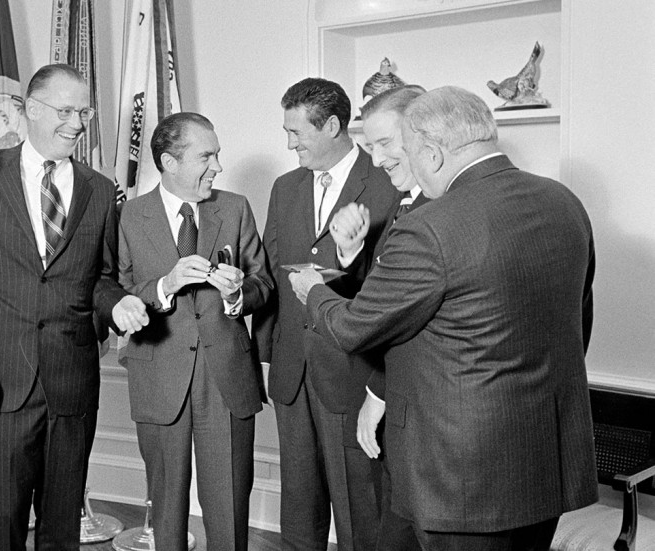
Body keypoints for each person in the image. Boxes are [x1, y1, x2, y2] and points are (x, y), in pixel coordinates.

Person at [290, 86, 597, 550]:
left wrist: (314, 292)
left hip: (463, 480)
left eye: (405, 151)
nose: (390, 164)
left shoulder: (431, 226)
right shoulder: (564, 202)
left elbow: (354, 327)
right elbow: (579, 319)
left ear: (432, 154)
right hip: (545, 464)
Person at [0, 64, 149, 551]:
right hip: (3, 382)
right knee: (0, 521)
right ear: (31, 110)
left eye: (83, 111)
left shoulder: (101, 190)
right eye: (65, 111)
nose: (78, 123)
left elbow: (101, 278)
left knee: (63, 524)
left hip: (72, 381)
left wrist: (119, 303)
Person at [252, 78, 400, 551]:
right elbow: (275, 279)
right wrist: (267, 357)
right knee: (299, 510)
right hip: (293, 373)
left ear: (333, 125)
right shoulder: (284, 187)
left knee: (361, 514)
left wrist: (349, 253)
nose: (290, 143)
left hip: (354, 374)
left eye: (298, 132)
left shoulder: (389, 182)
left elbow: (396, 290)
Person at [117, 112, 273, 551]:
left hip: (225, 376)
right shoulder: (128, 216)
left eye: (218, 155)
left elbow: (265, 284)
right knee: (165, 507)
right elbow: (118, 291)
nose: (218, 167)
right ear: (169, 161)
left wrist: (236, 297)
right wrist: (166, 285)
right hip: (158, 374)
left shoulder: (235, 208)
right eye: (207, 156)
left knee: (228, 504)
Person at [331, 85, 429, 551]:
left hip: (425, 420)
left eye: (384, 143)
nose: (376, 157)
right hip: (400, 414)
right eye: (369, 146)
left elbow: (412, 324)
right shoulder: (405, 204)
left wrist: (378, 391)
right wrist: (351, 256)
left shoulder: (436, 213)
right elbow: (385, 295)